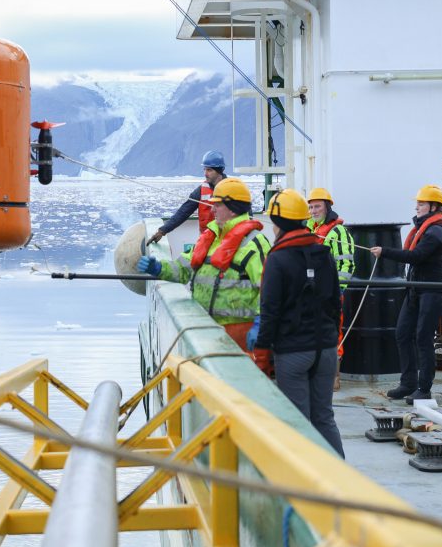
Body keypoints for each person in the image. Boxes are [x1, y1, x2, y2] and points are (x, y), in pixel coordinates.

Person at [253, 189, 345, 457]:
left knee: (298, 422)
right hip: (326, 349)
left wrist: (261, 352)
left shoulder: (277, 259)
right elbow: (334, 302)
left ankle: (306, 491)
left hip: (293, 352)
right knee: (324, 417)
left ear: (279, 223)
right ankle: (342, 481)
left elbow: (270, 310)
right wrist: (331, 339)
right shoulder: (323, 253)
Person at [138, 177, 271, 351]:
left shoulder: (254, 243)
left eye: (218, 204)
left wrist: (262, 323)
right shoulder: (210, 238)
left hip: (239, 338)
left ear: (233, 208)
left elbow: (270, 289)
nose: (212, 208)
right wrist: (158, 268)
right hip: (204, 332)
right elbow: (182, 270)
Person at [370, 185, 442, 405]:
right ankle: (408, 383)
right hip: (416, 289)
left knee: (423, 337)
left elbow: (416, 256)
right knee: (402, 333)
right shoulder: (424, 229)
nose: (416, 206)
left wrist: (385, 252)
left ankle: (424, 388)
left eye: (421, 203)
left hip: (432, 290)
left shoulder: (436, 231)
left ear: (433, 206)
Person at [306, 187, 356, 372]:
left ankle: (333, 374)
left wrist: (338, 290)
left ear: (327, 207)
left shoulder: (339, 232)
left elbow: (348, 266)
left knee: (333, 332)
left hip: (330, 295)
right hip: (310, 294)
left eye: (317, 206)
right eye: (310, 207)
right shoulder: (308, 230)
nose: (313, 211)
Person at [147, 150, 227, 244]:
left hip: (226, 243)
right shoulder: (201, 190)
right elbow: (183, 212)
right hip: (206, 242)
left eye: (209, 170)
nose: (205, 173)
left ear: (219, 171)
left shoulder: (234, 189)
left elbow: (247, 217)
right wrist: (162, 231)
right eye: (204, 169)